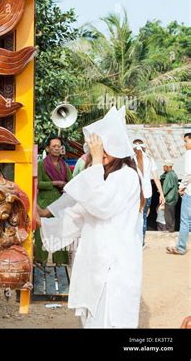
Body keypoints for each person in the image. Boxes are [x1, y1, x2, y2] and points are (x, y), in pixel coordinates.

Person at [37, 106, 144, 328]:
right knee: (91, 320)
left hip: (113, 267)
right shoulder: (103, 175)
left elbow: (98, 205)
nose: (100, 153)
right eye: (97, 149)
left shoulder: (127, 177)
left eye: (104, 148)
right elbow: (78, 211)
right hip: (94, 261)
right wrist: (43, 220)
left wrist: (95, 161)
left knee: (108, 319)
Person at [35, 136, 72, 264]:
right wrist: (54, 183)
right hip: (44, 203)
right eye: (54, 146)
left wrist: (65, 185)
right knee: (41, 232)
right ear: (47, 148)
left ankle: (60, 263)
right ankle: (40, 261)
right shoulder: (41, 164)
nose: (57, 149)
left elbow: (71, 183)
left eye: (59, 146)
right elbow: (37, 183)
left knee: (61, 232)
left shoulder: (64, 165)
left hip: (60, 204)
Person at [132, 138, 165, 244]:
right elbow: (156, 178)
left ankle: (133, 241)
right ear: (144, 148)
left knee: (132, 217)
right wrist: (161, 194)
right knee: (144, 217)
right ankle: (141, 242)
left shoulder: (130, 159)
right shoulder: (150, 159)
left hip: (133, 193)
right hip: (147, 193)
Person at [167, 132, 191, 255]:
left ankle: (181, 247)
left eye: (186, 141)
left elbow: (188, 173)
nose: (185, 145)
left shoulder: (189, 154)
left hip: (190, 193)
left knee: (185, 221)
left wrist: (181, 187)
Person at [160, 160, 179, 232]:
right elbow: (162, 176)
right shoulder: (174, 174)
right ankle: (171, 228)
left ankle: (169, 229)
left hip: (169, 198)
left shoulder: (169, 175)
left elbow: (167, 187)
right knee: (171, 213)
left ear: (167, 167)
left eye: (164, 166)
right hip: (174, 197)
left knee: (168, 214)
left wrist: (162, 193)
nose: (163, 168)